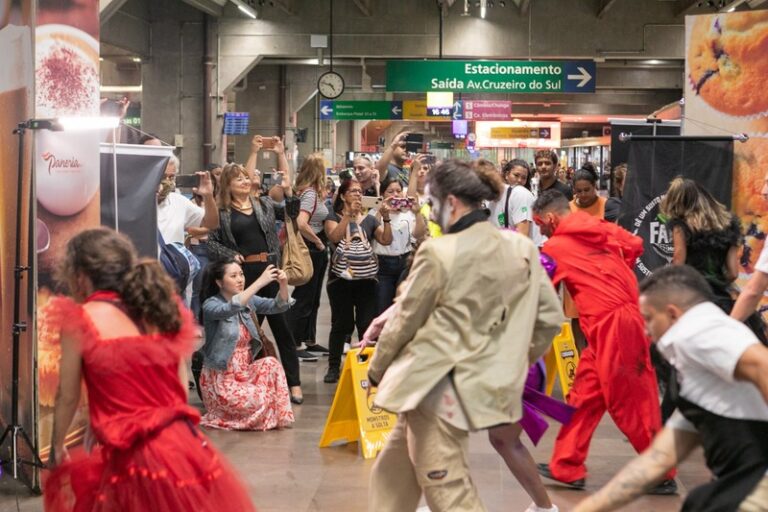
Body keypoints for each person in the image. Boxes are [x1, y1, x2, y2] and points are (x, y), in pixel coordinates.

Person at [366, 160, 564, 512]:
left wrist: (376, 369)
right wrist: (508, 360)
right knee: (393, 470)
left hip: (435, 384)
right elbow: (549, 318)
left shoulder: (439, 252)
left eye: (432, 202)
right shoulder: (521, 249)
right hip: (478, 383)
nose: (429, 210)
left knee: (449, 489)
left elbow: (406, 322)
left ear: (452, 203)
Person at [44, 228, 255, 511]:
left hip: (136, 455)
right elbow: (179, 387)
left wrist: (57, 447)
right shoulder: (158, 310)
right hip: (183, 446)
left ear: (80, 276)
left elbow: (67, 396)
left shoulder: (81, 319)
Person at [574, 265, 768, 512]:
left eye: (648, 318)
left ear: (673, 314)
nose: (645, 329)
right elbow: (656, 462)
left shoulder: (697, 332)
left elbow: (764, 366)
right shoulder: (699, 370)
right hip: (737, 487)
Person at [532, 190, 676, 494]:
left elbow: (539, 293)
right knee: (583, 396)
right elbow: (635, 245)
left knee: (633, 403)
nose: (540, 229)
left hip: (612, 325)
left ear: (551, 218)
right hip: (615, 321)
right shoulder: (598, 228)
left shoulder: (556, 246)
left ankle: (661, 472)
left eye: (540, 223)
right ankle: (567, 466)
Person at [206, 163, 305, 403]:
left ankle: (294, 384)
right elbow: (210, 241)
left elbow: (292, 213)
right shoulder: (222, 211)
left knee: (283, 329)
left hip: (270, 269)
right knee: (247, 332)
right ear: (227, 185)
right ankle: (245, 380)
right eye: (237, 179)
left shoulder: (264, 204)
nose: (244, 181)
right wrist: (229, 254)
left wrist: (289, 190)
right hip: (244, 275)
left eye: (245, 177)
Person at [199, 260, 294, 430]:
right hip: (222, 379)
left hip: (244, 373)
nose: (240, 279)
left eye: (241, 274)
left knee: (271, 364)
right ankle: (250, 413)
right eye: (233, 276)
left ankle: (264, 414)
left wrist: (283, 284)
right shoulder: (210, 305)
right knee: (262, 398)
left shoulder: (249, 301)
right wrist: (259, 282)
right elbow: (230, 307)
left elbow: (278, 306)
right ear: (219, 282)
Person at [322, 178, 392, 384]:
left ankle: (366, 365)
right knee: (341, 324)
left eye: (360, 192)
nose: (358, 195)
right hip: (340, 280)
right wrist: (348, 217)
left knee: (365, 324)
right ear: (342, 196)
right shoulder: (332, 216)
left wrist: (386, 220)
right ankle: (334, 367)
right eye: (352, 191)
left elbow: (386, 240)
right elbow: (334, 237)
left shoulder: (370, 220)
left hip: (366, 280)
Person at [288, 153, 331, 356]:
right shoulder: (310, 194)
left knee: (313, 297)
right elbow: (301, 223)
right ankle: (295, 342)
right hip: (310, 247)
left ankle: (308, 338)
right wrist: (318, 241)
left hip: (314, 247)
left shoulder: (309, 192)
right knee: (304, 296)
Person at [372, 177, 426, 314]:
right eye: (390, 191)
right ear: (383, 194)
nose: (395, 195)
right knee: (382, 307)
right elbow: (372, 229)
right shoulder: (374, 212)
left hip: (404, 262)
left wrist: (417, 213)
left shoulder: (408, 214)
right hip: (382, 265)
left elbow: (418, 234)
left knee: (403, 307)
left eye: (398, 191)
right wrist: (382, 211)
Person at [485, 159, 535, 236]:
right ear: (506, 175)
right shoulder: (489, 200)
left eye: (524, 178)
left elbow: (522, 236)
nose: (519, 180)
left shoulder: (520, 194)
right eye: (516, 175)